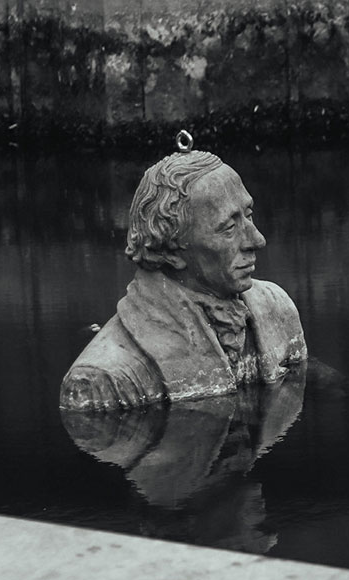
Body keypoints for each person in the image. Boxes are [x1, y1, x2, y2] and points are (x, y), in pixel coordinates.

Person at [60, 148, 306, 411]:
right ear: (171, 251)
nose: (257, 240)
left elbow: (301, 379)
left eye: (249, 215)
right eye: (229, 228)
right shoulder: (103, 382)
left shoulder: (277, 308)